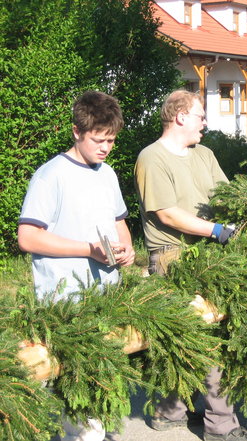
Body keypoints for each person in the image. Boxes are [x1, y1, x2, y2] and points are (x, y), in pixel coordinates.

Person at [134, 90, 247, 441]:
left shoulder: (204, 154)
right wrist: (217, 230)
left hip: (209, 255)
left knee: (192, 336)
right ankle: (221, 426)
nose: (205, 122)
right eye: (200, 116)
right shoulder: (152, 158)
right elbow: (166, 213)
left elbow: (227, 195)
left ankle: (170, 411)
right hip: (174, 257)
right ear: (180, 117)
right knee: (204, 339)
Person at [18, 90, 135, 441]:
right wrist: (88, 249)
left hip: (104, 301)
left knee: (92, 398)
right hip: (64, 305)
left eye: (111, 140)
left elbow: (119, 222)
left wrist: (127, 249)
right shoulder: (50, 176)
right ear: (76, 131)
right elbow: (28, 237)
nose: (106, 148)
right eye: (99, 140)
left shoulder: (108, 174)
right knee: (80, 410)